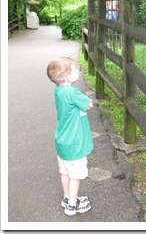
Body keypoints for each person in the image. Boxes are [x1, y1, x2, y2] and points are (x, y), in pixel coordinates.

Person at [46, 57, 94, 216]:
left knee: (65, 172)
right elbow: (88, 105)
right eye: (74, 69)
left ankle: (67, 197)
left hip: (62, 141)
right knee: (75, 175)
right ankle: (73, 205)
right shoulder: (72, 92)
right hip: (74, 143)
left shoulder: (59, 90)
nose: (77, 71)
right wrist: (89, 101)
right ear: (68, 77)